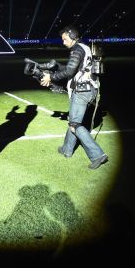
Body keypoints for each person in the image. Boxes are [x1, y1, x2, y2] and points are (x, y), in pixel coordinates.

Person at [40, 25, 108, 169]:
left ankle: (98, 155)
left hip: (83, 91)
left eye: (65, 39)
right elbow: (74, 68)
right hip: (90, 89)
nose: (63, 42)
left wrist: (50, 78)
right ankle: (67, 149)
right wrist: (57, 66)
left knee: (74, 125)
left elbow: (70, 71)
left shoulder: (76, 50)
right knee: (73, 120)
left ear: (72, 36)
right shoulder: (84, 47)